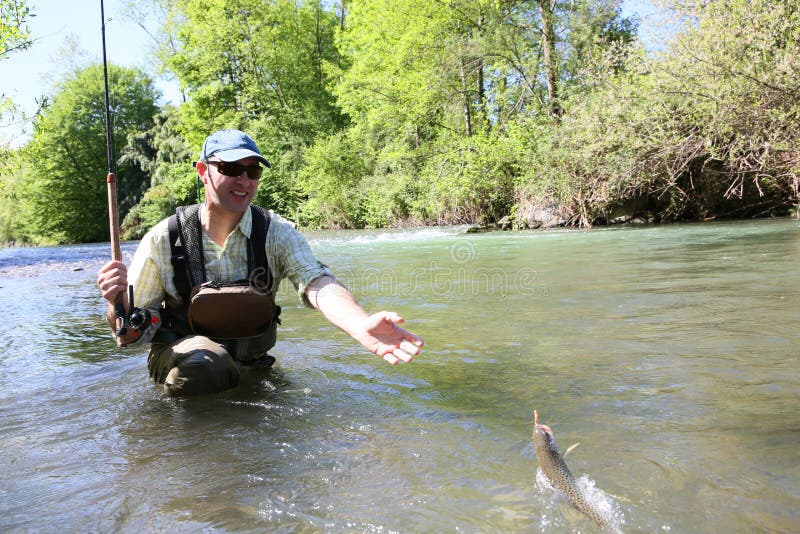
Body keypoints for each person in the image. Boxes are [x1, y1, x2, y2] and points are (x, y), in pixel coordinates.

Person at [97, 129, 423, 396]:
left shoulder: (276, 233)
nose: (244, 180)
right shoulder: (163, 239)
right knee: (207, 365)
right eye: (230, 169)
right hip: (184, 362)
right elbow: (130, 335)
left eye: (252, 171)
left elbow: (317, 282)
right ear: (203, 172)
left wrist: (358, 323)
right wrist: (116, 305)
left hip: (252, 365)